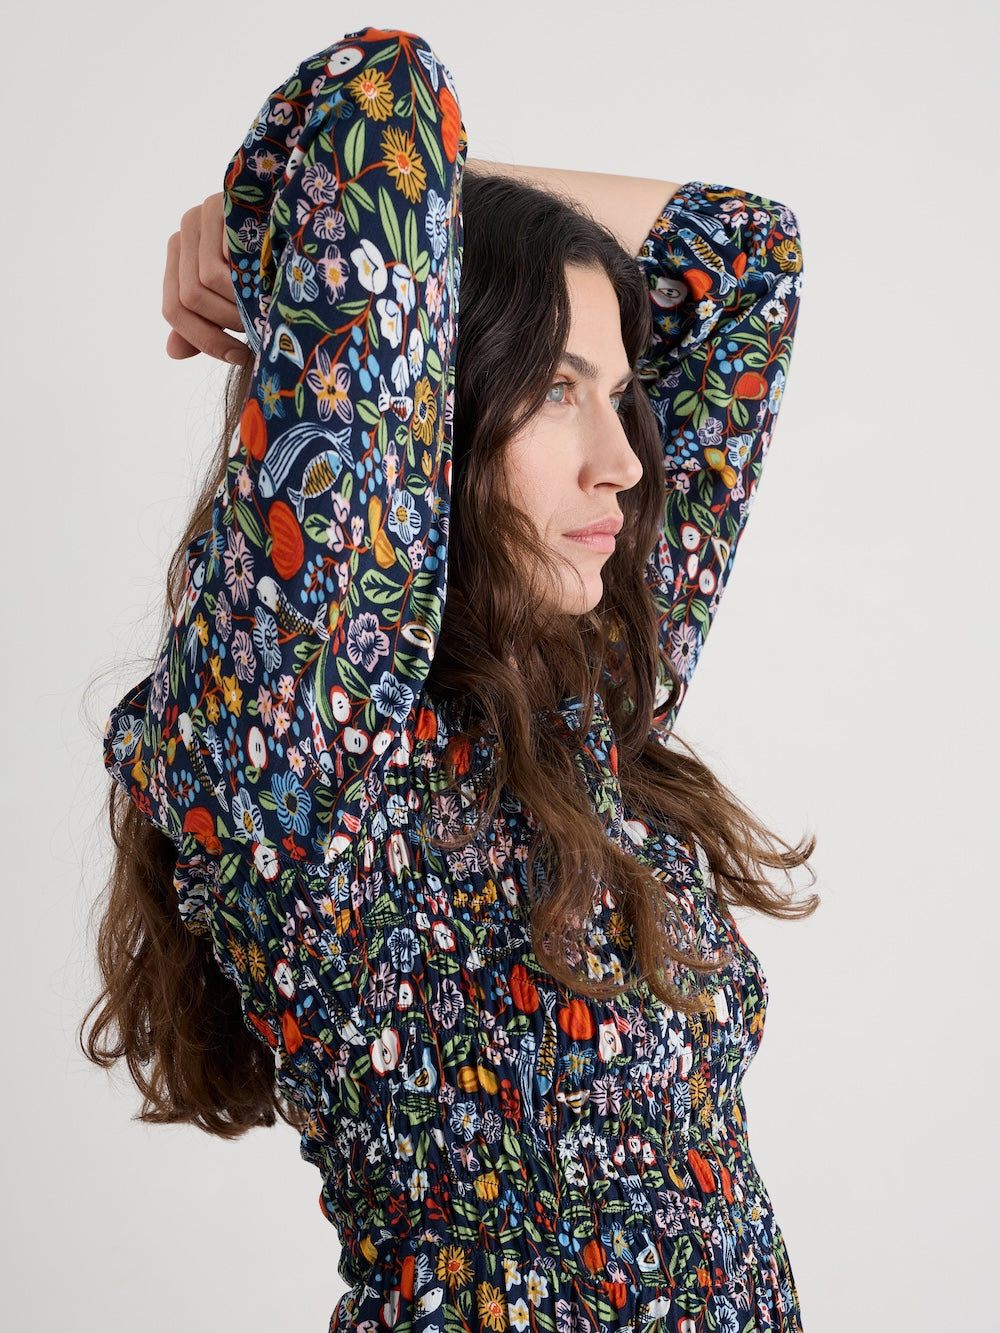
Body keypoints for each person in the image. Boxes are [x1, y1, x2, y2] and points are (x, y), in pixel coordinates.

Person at [84, 25, 817, 1333]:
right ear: (429, 406)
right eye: (552, 391)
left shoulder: (584, 690)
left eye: (624, 393)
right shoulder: (313, 723)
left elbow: (745, 252)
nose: (626, 460)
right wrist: (287, 225)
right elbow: (386, 96)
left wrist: (447, 222)